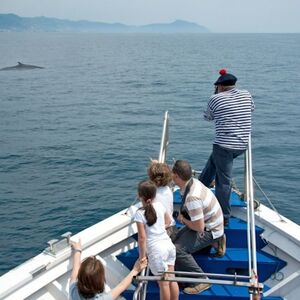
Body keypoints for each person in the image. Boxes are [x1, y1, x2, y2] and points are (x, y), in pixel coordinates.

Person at [199, 69, 255, 226]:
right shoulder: (246, 94)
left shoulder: (215, 98)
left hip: (224, 145)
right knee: (212, 164)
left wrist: (215, 96)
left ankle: (224, 217)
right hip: (242, 145)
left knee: (223, 181)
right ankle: (198, 189)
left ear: (220, 87)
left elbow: (207, 117)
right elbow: (251, 109)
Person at [172, 160, 225, 295]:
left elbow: (199, 228)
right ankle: (218, 240)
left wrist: (183, 219)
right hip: (212, 222)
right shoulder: (193, 182)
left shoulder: (192, 197)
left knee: (177, 250)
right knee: (175, 238)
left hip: (208, 229)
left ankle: (201, 280)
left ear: (177, 176)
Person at [134, 180, 179, 300]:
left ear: (140, 196)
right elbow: (169, 221)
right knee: (172, 278)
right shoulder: (160, 206)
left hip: (157, 251)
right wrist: (159, 228)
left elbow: (142, 238)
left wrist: (142, 257)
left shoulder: (139, 214)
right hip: (168, 245)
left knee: (163, 283)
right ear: (154, 195)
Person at [69, 239, 147, 300]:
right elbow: (121, 287)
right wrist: (136, 270)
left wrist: (77, 251)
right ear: (100, 282)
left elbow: (75, 269)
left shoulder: (73, 289)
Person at [148, 160, 176, 237]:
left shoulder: (152, 193)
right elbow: (163, 173)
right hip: (172, 227)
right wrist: (157, 165)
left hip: (162, 231)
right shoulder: (168, 189)